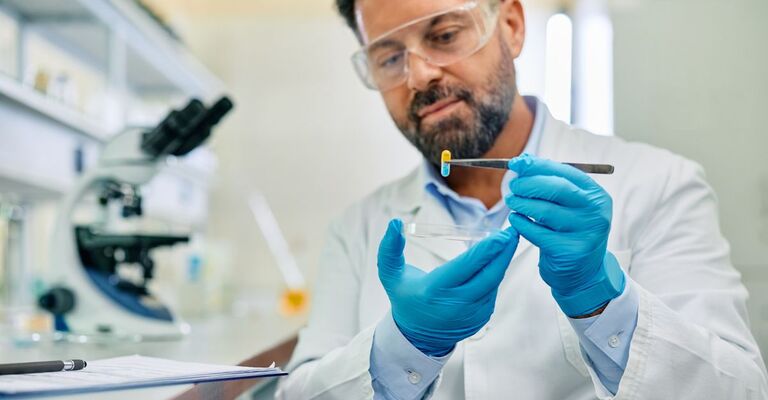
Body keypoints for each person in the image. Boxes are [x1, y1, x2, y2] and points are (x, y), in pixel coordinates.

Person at [275, 0, 768, 398]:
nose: (419, 74)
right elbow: (296, 393)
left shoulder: (659, 183)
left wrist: (604, 305)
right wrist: (402, 347)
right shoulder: (358, 227)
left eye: (444, 35)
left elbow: (739, 389)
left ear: (510, 26)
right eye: (388, 57)